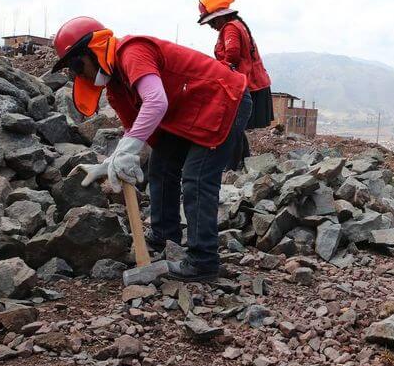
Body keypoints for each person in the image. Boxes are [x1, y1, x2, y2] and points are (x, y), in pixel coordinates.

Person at [51, 16, 252, 282]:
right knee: (161, 165)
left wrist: (127, 151)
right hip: (188, 111)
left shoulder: (132, 52)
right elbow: (137, 134)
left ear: (90, 52)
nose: (78, 75)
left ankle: (203, 262)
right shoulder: (116, 88)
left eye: (77, 67)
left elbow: (156, 103)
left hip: (224, 100)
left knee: (198, 179)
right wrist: (109, 163)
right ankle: (164, 237)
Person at [197, 0, 273, 169]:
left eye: (212, 22)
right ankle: (243, 162)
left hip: (245, 85)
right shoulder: (237, 25)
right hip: (251, 82)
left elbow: (232, 55)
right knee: (236, 127)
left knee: (233, 126)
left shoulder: (230, 28)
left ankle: (231, 165)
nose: (212, 26)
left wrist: (215, 72)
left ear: (220, 17)